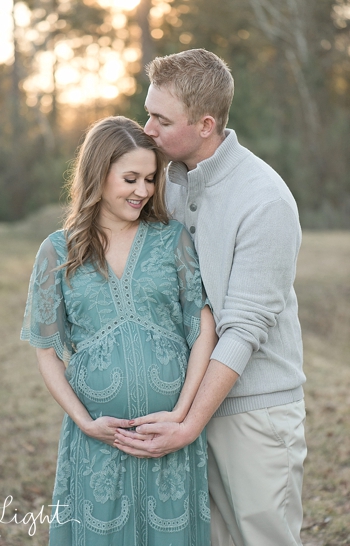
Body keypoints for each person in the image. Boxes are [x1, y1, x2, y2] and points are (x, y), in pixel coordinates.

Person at [114, 49, 306, 546]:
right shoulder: (166, 184)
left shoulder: (264, 199)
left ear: (204, 124)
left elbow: (243, 328)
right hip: (190, 405)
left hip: (254, 413)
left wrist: (187, 423)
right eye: (147, 112)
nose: (147, 128)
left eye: (161, 118)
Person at [21, 116, 218, 545]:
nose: (143, 191)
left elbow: (203, 328)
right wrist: (84, 422)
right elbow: (46, 351)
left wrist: (181, 413)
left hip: (168, 437)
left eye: (150, 179)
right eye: (130, 178)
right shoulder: (58, 250)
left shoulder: (172, 239)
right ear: (98, 173)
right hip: (98, 444)